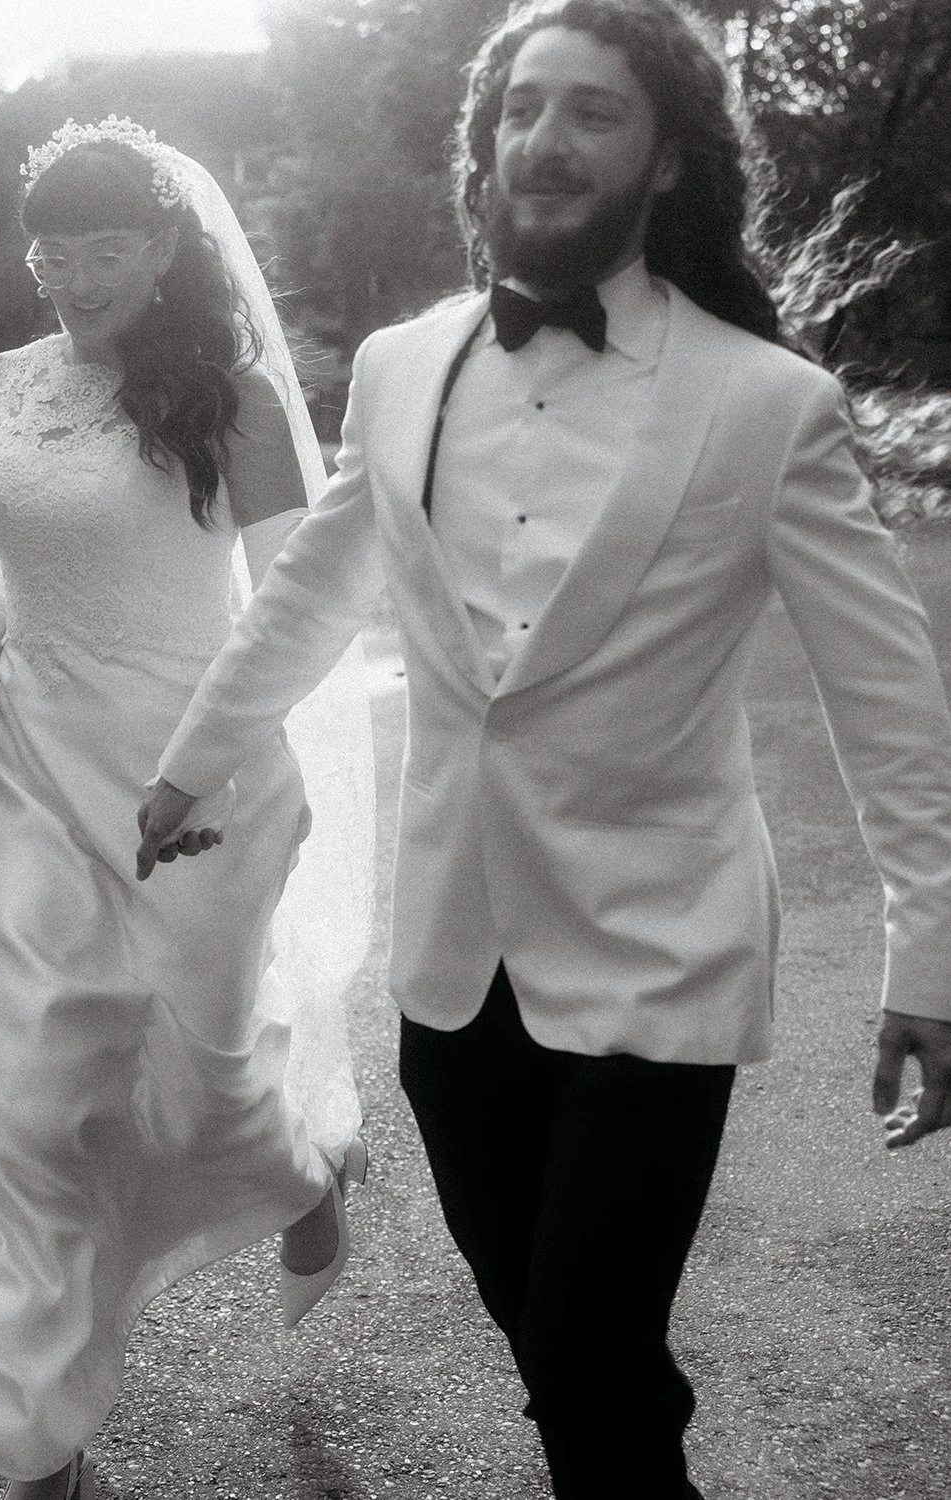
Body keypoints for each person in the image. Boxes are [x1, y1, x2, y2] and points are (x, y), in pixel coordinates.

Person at [135, 3, 951, 1497]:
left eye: (594, 111)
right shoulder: (398, 367)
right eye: (524, 106)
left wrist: (934, 959)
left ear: (664, 164)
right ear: (483, 142)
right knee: (574, 1367)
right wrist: (192, 761)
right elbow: (314, 588)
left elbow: (891, 709)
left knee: (583, 1351)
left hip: (662, 960)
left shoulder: (770, 407)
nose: (548, 137)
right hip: (455, 975)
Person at [0, 118, 373, 1500]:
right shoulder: (17, 378)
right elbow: (14, 566)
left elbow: (306, 604)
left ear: (165, 244)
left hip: (201, 779)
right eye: (49, 246)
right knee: (21, 1105)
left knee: (196, 1099)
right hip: (32, 777)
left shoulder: (232, 397)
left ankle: (303, 1178)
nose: (71, 272)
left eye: (105, 244)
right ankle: (45, 1440)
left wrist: (219, 760)